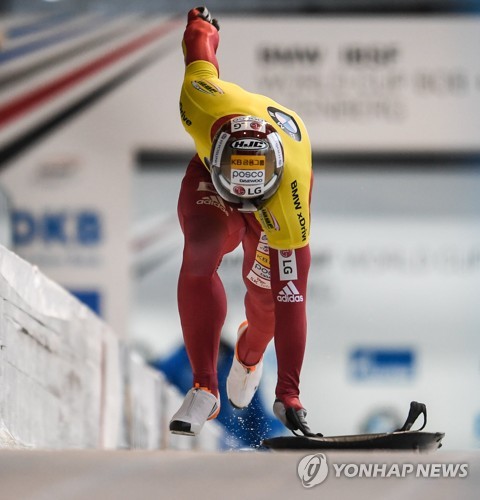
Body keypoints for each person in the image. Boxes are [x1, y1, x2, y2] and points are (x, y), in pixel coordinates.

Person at [169, 7, 318, 438]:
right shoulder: (198, 103)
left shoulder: (292, 190)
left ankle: (250, 356)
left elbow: (293, 296)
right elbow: (200, 49)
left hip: (278, 197)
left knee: (270, 303)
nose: (244, 202)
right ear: (215, 151)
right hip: (212, 183)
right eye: (240, 191)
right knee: (200, 249)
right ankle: (204, 387)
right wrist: (203, 24)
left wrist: (289, 391)